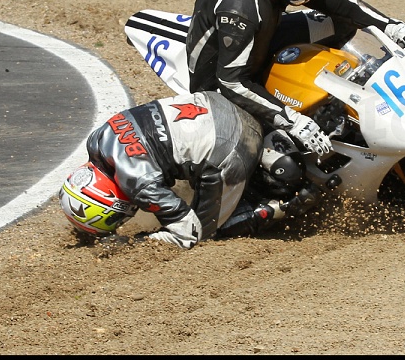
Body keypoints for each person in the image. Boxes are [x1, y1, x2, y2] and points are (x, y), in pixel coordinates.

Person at [185, 0, 405, 229]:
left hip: (259, 38)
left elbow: (335, 0)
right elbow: (231, 81)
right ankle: (245, 215)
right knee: (286, 169)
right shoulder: (242, 8)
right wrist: (293, 120)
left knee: (341, 22)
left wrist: (392, 26)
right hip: (218, 91)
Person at [59, 90, 277, 249]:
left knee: (203, 241)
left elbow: (187, 233)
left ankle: (273, 207)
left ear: (108, 202)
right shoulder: (99, 138)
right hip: (217, 103)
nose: (124, 219)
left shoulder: (139, 182)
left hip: (236, 145)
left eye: (115, 220)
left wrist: (133, 244)